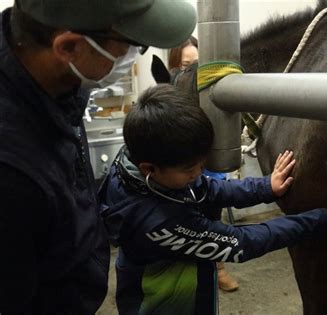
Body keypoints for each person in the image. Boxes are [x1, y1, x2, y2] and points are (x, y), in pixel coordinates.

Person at [0, 0, 196, 313]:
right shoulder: (12, 173)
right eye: (134, 45)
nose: (136, 55)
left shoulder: (63, 79)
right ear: (69, 47)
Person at [100, 84, 327, 314]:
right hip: (163, 305)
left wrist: (267, 187)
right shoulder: (157, 223)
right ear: (149, 169)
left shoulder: (140, 159)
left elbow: (208, 190)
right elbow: (242, 242)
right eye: (190, 169)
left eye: (202, 164)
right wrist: (319, 220)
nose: (199, 173)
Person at [168, 36, 241, 292]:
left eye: (196, 63)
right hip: (186, 158)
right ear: (173, 68)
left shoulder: (212, 91)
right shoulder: (172, 99)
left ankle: (218, 266)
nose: (191, 70)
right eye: (184, 65)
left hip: (210, 159)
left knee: (214, 211)